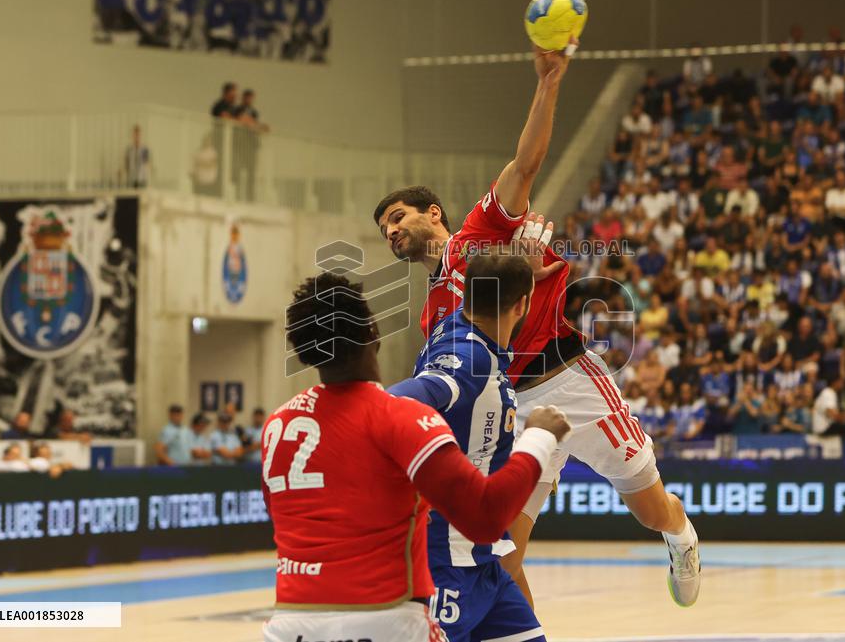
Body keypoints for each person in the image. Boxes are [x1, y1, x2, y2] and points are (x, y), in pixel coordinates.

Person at [373, 41, 701, 608]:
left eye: (397, 218)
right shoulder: (431, 314)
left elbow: (526, 162)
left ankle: (683, 537)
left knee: (651, 510)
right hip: (513, 409)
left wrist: (548, 84)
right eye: (383, 230)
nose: (391, 232)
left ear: (434, 214)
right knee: (505, 554)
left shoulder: (482, 229)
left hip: (570, 378)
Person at [262, 272, 567, 641]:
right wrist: (538, 438)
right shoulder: (400, 416)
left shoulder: (278, 425)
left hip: (290, 619)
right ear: (373, 332)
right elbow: (486, 516)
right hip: (381, 616)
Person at [386, 252, 548, 641]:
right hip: (445, 557)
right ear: (522, 304)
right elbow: (399, 400)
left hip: (484, 555)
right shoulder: (469, 358)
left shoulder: (455, 326)